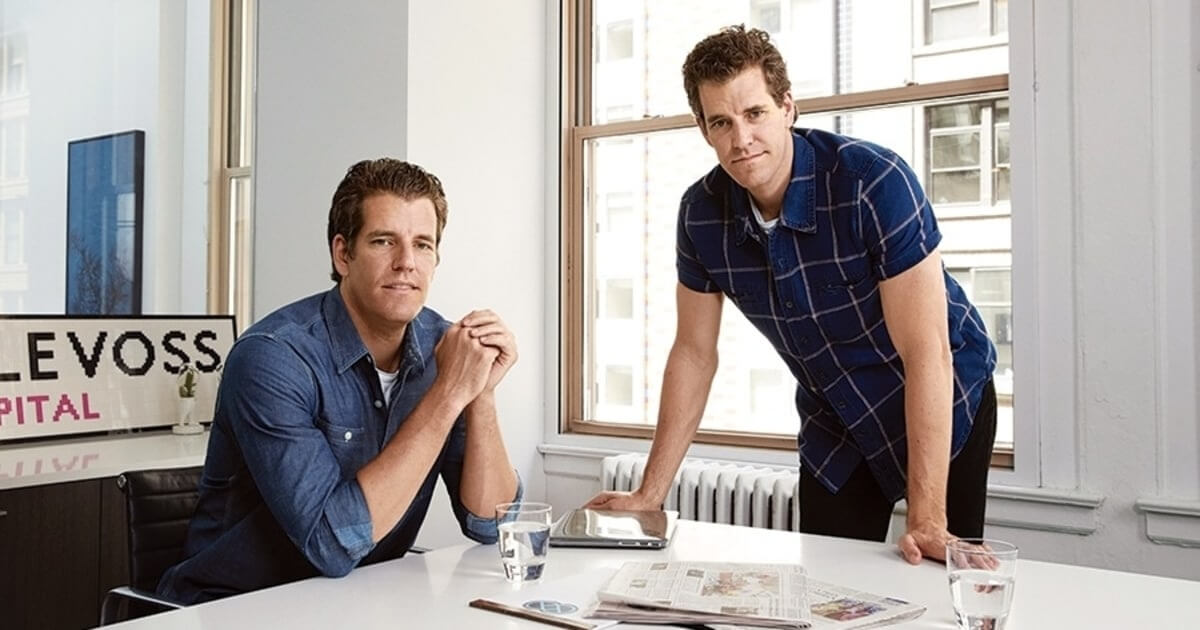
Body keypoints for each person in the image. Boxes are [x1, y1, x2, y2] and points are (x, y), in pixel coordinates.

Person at [586, 25, 997, 564]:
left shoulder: (873, 183)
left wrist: (926, 519)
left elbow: (926, 352)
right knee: (825, 586)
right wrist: (648, 495)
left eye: (755, 113)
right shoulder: (700, 215)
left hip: (945, 392)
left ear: (787, 107)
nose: (741, 139)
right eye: (721, 122)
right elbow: (693, 353)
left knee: (944, 572)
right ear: (703, 130)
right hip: (836, 420)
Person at [159, 159, 521, 603]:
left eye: (422, 245)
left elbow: (492, 525)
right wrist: (449, 394)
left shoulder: (444, 349)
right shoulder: (272, 358)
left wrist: (481, 392)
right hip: (231, 606)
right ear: (342, 254)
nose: (406, 263)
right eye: (383, 241)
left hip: (360, 600)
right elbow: (331, 544)